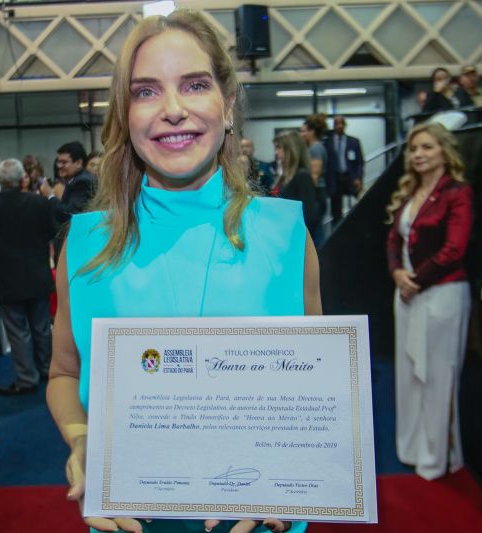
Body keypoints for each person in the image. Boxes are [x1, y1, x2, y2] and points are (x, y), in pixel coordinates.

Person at [46, 9, 320, 533]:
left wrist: (294, 476)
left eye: (194, 84)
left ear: (228, 104)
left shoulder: (286, 237)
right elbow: (63, 374)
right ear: (126, 115)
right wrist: (83, 440)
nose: (173, 109)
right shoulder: (85, 247)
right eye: (146, 91)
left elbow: (316, 389)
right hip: (133, 518)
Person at [385, 122, 473, 481]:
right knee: (408, 374)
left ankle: (436, 458)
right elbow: (392, 241)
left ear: (444, 151)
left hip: (442, 294)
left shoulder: (457, 192)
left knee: (438, 376)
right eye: (414, 148)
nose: (418, 154)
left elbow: (455, 248)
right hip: (406, 294)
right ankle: (410, 448)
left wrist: (416, 280)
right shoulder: (408, 192)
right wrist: (397, 276)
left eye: (427, 148)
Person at [0, 159, 56, 394]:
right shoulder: (40, 203)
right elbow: (52, 233)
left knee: (17, 331)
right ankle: (47, 369)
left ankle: (26, 378)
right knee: (41, 326)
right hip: (37, 273)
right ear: (22, 180)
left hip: (5, 275)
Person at [39, 142, 98, 262]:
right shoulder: (76, 180)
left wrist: (50, 195)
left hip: (77, 249)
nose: (59, 165)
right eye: (58, 161)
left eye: (64, 162)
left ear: (78, 162)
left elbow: (68, 214)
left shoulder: (82, 182)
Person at [272, 130, 318, 235]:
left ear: (290, 149)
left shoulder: (302, 176)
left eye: (279, 148)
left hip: (294, 235)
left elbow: (309, 215)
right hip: (283, 232)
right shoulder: (284, 176)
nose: (276, 152)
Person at [324, 115, 364, 223]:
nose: (339, 126)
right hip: (335, 178)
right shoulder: (328, 142)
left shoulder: (353, 142)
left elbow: (359, 162)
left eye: (341, 123)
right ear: (334, 126)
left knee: (361, 199)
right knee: (336, 209)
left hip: (349, 176)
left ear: (345, 125)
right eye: (337, 124)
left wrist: (358, 177)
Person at [299, 114, 328, 241]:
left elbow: (315, 175)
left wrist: (308, 196)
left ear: (312, 132)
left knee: (316, 231)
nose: (301, 134)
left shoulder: (316, 148)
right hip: (316, 194)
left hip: (317, 194)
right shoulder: (311, 148)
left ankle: (319, 258)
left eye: (303, 131)